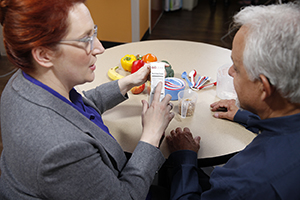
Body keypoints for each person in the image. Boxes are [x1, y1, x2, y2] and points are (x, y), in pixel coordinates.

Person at [0, 0, 175, 199]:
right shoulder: (62, 150)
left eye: (94, 33)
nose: (99, 48)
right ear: (44, 54)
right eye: (86, 39)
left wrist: (127, 82)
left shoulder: (24, 80)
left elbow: (77, 110)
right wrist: (151, 135)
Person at [166, 3, 300, 199]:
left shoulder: (244, 183)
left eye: (236, 68)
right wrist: (248, 117)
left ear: (264, 87)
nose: (229, 71)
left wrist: (185, 157)